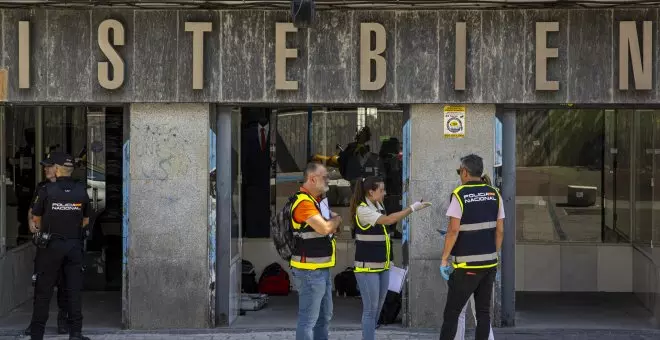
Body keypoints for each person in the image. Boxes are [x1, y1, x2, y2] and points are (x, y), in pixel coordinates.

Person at [349, 176, 431, 340]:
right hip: (367, 269)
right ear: (371, 192)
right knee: (370, 311)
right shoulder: (363, 209)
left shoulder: (377, 205)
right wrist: (412, 208)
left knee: (378, 310)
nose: (385, 193)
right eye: (381, 190)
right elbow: (389, 220)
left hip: (383, 266)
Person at [439, 154, 505, 340]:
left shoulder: (459, 195)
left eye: (460, 171)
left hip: (466, 267)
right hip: (488, 264)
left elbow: (453, 230)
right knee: (483, 314)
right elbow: (500, 231)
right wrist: (494, 254)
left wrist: (445, 258)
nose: (460, 174)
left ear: (465, 172)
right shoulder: (494, 194)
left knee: (452, 313)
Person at [28, 152, 91, 340]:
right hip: (73, 247)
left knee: (43, 292)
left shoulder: (46, 190)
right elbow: (86, 220)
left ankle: (37, 334)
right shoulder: (81, 190)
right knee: (73, 291)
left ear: (57, 168)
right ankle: (76, 333)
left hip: (50, 246)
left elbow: (35, 219)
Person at [289, 162, 343, 340]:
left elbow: (329, 226)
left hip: (322, 268)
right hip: (309, 272)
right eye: (325, 177)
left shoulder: (317, 202)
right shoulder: (304, 203)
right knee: (308, 320)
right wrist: (337, 220)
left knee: (324, 317)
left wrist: (332, 223)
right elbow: (325, 228)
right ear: (312, 179)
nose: (328, 180)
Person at [24, 154, 70, 336]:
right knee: (41, 286)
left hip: (64, 242)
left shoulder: (70, 187)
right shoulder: (42, 187)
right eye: (45, 166)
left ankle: (63, 321)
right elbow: (32, 209)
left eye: (48, 166)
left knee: (65, 285)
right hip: (45, 243)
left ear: (58, 168)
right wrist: (30, 222)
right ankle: (35, 324)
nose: (45, 169)